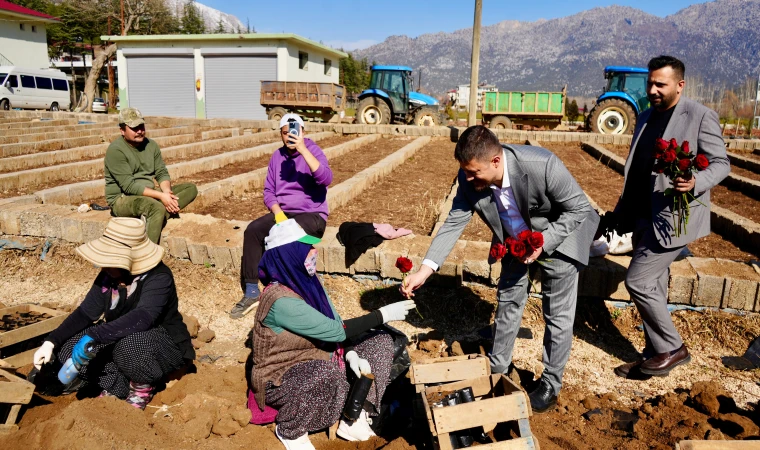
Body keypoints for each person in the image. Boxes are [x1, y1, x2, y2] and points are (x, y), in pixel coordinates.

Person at [400, 125, 599, 413]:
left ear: (495, 161)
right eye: (465, 171)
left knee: (557, 314)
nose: (467, 178)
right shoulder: (470, 177)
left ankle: (550, 385)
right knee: (508, 301)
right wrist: (425, 270)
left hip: (561, 236)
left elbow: (579, 209)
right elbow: (454, 222)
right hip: (515, 241)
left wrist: (545, 242)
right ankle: (498, 368)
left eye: (473, 172)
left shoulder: (542, 165)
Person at [599, 55, 730, 379]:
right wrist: (620, 215)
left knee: (638, 281)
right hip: (641, 216)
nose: (653, 89)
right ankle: (653, 355)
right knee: (653, 285)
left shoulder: (699, 116)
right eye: (650, 83)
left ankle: (673, 349)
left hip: (674, 218)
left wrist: (696, 181)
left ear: (679, 85)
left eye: (661, 84)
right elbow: (636, 173)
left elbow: (721, 163)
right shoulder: (643, 117)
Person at [250, 219, 416, 450]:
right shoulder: (280, 301)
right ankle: (291, 430)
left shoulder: (309, 283)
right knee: (327, 374)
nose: (314, 251)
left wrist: (349, 353)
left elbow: (335, 324)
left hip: (321, 358)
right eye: (306, 248)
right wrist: (382, 314)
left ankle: (356, 415)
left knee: (380, 341)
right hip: (282, 376)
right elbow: (335, 331)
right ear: (290, 255)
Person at [32, 217, 195, 409]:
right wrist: (51, 342)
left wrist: (96, 335)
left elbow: (143, 317)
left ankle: (142, 388)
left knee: (129, 347)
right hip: (119, 337)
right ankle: (120, 386)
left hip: (159, 343)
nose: (104, 266)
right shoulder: (108, 277)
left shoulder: (159, 277)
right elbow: (85, 313)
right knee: (69, 350)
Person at [231, 114, 332, 319]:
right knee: (253, 231)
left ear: (303, 132)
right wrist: (278, 214)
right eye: (285, 133)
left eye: (294, 132)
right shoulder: (277, 157)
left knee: (286, 235)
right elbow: (269, 191)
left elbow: (326, 179)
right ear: (280, 134)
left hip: (311, 215)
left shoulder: (312, 150)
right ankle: (252, 291)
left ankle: (294, 288)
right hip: (284, 214)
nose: (289, 137)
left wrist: (303, 149)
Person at [105, 107, 197, 244]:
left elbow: (161, 172)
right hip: (123, 198)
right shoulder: (115, 150)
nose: (140, 131)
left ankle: (153, 216)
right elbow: (129, 186)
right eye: (134, 128)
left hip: (147, 193)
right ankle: (148, 255)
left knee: (190, 188)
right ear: (122, 130)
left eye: (141, 126)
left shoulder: (151, 145)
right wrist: (161, 197)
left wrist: (166, 193)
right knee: (157, 208)